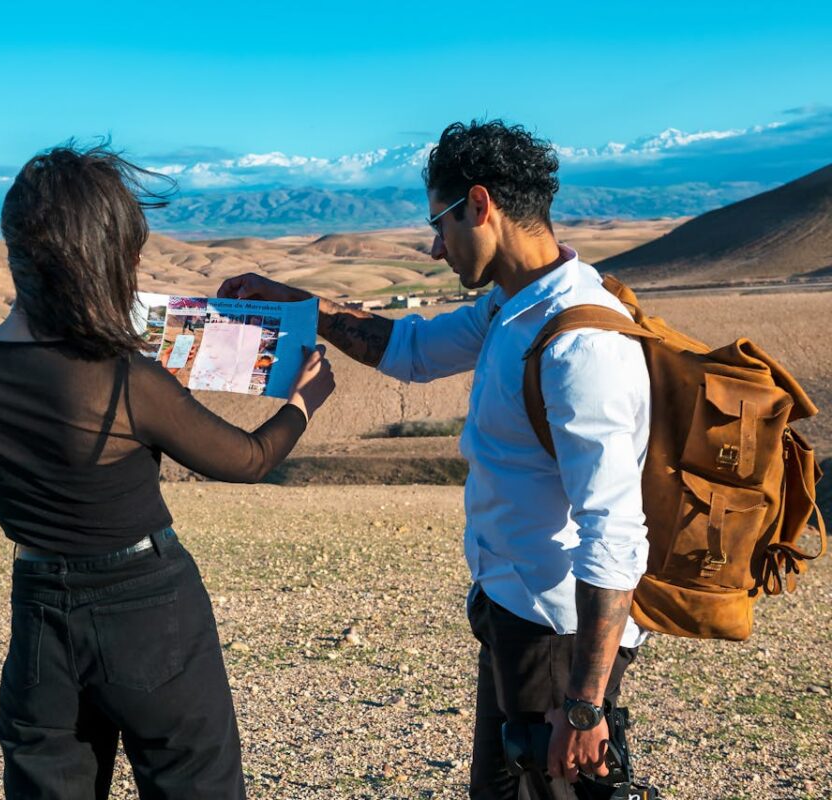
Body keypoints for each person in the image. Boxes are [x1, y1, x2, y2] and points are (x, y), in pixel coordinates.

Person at [219, 120, 650, 799]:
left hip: (557, 634)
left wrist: (586, 704)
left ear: (481, 205)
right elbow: (410, 349)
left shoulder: (579, 343)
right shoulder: (513, 309)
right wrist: (293, 304)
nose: (434, 244)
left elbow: (616, 532)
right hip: (513, 612)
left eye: (440, 223)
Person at [0, 143, 335, 800]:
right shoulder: (124, 379)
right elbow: (248, 460)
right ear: (103, 259)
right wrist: (302, 403)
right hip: (153, 616)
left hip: (40, 615)